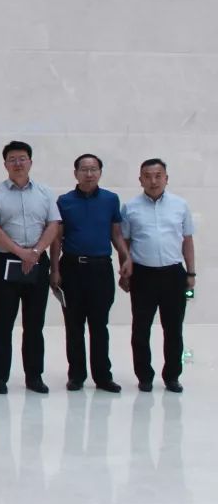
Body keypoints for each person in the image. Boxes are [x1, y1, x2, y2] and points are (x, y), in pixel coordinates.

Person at [0, 141, 61, 394]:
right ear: (5, 164)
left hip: (38, 260)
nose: (18, 163)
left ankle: (34, 376)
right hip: (6, 261)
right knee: (3, 322)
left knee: (35, 323)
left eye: (22, 158)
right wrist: (21, 252)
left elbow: (53, 224)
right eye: (12, 159)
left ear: (30, 162)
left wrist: (35, 252)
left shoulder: (45, 192)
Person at [50, 154, 131, 393]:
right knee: (73, 325)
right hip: (72, 268)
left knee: (99, 325)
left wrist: (126, 257)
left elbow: (116, 234)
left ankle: (103, 377)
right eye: (84, 169)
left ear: (100, 172)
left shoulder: (110, 200)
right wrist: (54, 269)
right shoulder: (64, 201)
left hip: (100, 269)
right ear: (75, 173)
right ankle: (76, 375)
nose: (89, 174)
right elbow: (57, 239)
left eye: (93, 169)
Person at [121, 158, 196, 393]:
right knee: (140, 328)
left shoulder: (180, 205)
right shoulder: (130, 208)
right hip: (143, 275)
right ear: (140, 179)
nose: (153, 181)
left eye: (158, 176)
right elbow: (125, 243)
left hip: (174, 274)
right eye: (147, 176)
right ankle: (144, 376)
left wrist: (191, 273)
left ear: (166, 178)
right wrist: (125, 270)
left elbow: (187, 241)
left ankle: (172, 376)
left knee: (173, 329)